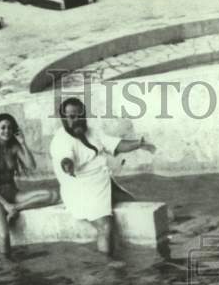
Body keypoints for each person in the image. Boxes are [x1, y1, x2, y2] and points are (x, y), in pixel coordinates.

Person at [49, 97, 156, 256]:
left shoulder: (91, 131)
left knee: (133, 204)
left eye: (80, 115)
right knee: (104, 227)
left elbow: (116, 145)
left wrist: (139, 144)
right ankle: (108, 264)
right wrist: (67, 166)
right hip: (82, 191)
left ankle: (125, 249)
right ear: (63, 119)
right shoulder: (61, 140)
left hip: (103, 183)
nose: (77, 120)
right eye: (71, 117)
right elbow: (66, 158)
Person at [0, 113, 59, 257]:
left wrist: (23, 143)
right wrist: (5, 204)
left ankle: (16, 208)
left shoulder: (14, 148)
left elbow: (31, 165)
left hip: (13, 194)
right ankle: (8, 265)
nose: (6, 131)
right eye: (3, 127)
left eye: (10, 128)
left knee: (52, 195)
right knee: (4, 235)